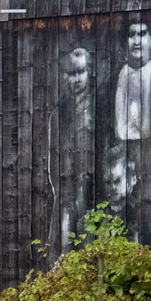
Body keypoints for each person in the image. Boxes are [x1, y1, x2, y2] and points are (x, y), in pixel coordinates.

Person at [48, 47, 95, 254]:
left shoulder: (98, 107)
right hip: (66, 191)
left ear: (89, 71)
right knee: (63, 245)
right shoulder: (59, 114)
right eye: (71, 74)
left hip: (94, 192)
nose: (76, 80)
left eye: (80, 72)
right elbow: (53, 158)